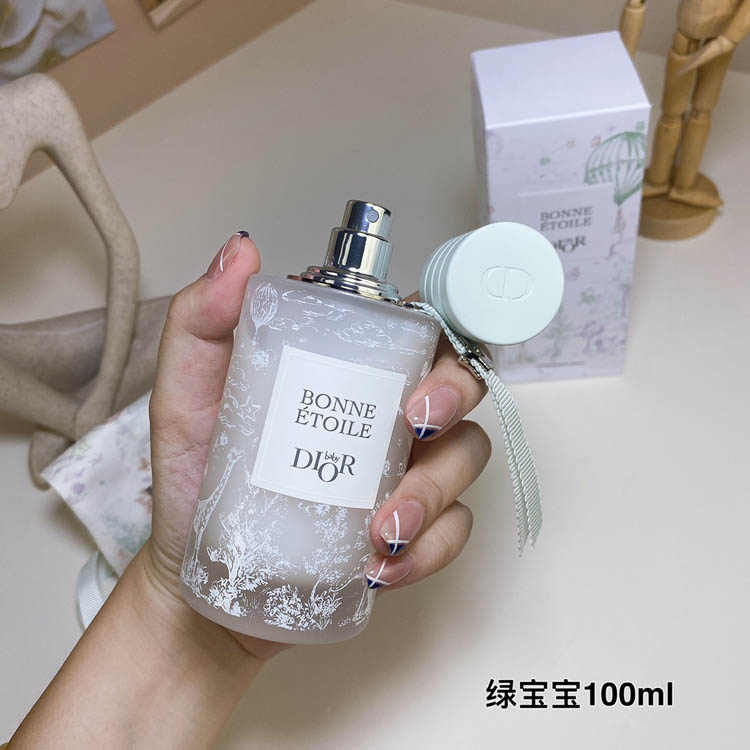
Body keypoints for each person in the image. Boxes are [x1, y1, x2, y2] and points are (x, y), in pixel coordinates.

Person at [7, 234, 491, 749]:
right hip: (214, 573)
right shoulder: (287, 304)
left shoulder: (403, 332)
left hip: (295, 596)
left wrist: (199, 634)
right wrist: (177, 601)